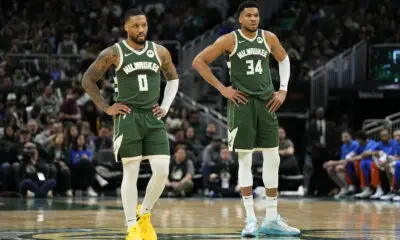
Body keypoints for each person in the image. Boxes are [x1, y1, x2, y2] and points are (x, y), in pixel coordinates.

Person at [192, 0, 300, 237]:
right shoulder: (229, 40)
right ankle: (250, 219)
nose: (253, 19)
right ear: (240, 18)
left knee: (273, 158)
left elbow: (284, 59)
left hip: (266, 101)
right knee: (245, 160)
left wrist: (282, 89)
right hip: (241, 104)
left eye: (256, 15)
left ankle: (271, 218)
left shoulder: (268, 38)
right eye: (249, 15)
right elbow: (198, 62)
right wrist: (223, 89)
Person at [82, 8, 179, 240]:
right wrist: (107, 108)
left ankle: (144, 214)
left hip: (153, 117)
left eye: (144, 25)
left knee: (162, 171)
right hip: (128, 117)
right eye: (135, 25)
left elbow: (173, 78)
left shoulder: (160, 51)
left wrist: (165, 106)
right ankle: (131, 227)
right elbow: (88, 79)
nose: (141, 29)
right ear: (126, 27)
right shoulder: (114, 53)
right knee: (131, 171)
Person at [322, 130, 359, 199]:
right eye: (343, 137)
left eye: (346, 136)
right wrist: (331, 164)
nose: (344, 138)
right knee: (330, 169)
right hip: (346, 164)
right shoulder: (343, 146)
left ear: (350, 137)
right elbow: (342, 160)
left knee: (338, 168)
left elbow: (348, 160)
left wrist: (333, 162)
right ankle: (343, 188)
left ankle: (348, 188)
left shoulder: (355, 144)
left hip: (353, 165)